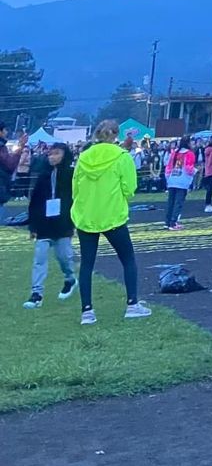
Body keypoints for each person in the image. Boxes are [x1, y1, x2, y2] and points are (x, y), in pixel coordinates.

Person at [72, 120, 151, 324]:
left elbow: (75, 188)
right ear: (116, 135)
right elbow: (130, 187)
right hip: (113, 216)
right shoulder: (122, 156)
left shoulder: (83, 157)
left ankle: (87, 311)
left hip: (86, 216)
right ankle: (132, 304)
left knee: (87, 264)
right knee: (128, 259)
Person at [24, 143, 77, 308]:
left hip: (63, 224)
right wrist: (33, 226)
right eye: (50, 154)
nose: (52, 157)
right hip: (44, 226)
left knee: (64, 258)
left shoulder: (71, 174)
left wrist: (74, 221)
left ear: (64, 155)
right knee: (39, 260)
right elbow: (35, 202)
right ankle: (36, 294)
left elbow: (77, 198)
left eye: (57, 153)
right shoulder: (43, 176)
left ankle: (70, 279)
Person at [163, 137, 195, 229]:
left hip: (172, 179)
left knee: (171, 202)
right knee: (178, 202)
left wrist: (167, 178)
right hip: (182, 180)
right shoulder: (189, 154)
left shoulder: (174, 152)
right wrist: (195, 170)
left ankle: (168, 222)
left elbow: (168, 167)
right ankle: (173, 222)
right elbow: (189, 168)